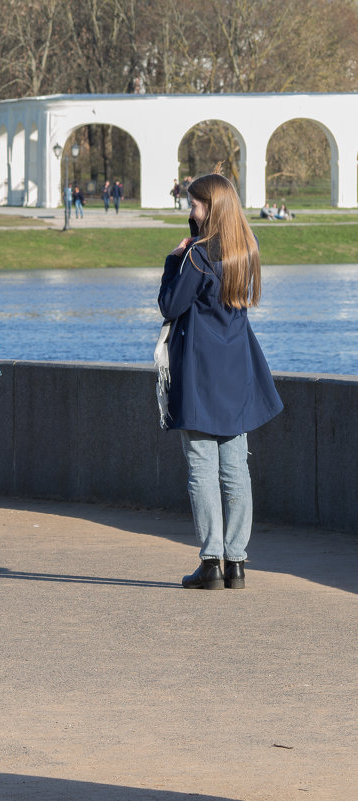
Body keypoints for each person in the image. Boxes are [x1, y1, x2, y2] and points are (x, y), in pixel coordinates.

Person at [158, 172, 283, 591]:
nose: (189, 210)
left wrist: (173, 259)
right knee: (235, 469)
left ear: (210, 208)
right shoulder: (245, 250)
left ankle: (210, 560)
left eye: (194, 205)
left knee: (201, 468)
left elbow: (170, 305)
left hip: (198, 369)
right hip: (237, 367)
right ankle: (238, 561)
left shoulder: (196, 257)